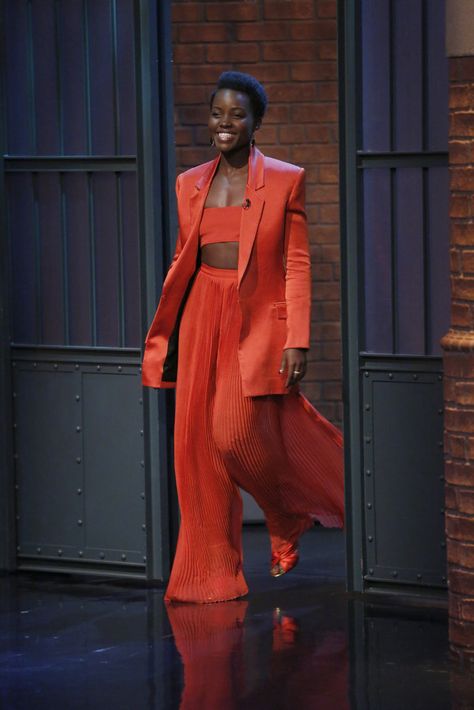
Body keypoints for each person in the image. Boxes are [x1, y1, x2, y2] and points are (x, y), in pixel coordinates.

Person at [142, 71, 344, 604]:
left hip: (253, 320)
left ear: (256, 122)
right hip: (200, 314)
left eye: (236, 114)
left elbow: (295, 264)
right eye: (217, 113)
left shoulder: (283, 179)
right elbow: (187, 258)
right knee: (196, 448)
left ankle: (284, 514)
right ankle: (210, 574)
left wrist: (296, 338)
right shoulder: (190, 183)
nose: (224, 123)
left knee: (234, 434)